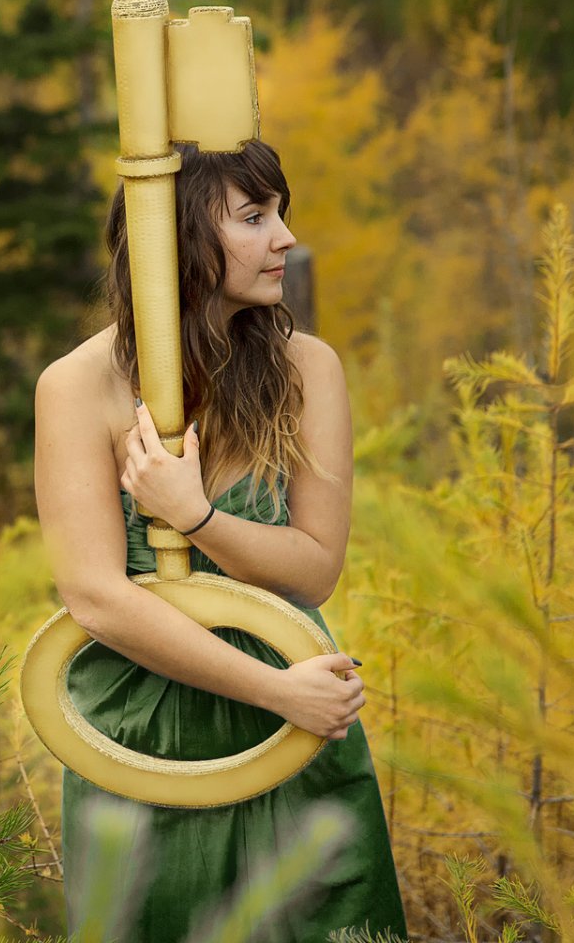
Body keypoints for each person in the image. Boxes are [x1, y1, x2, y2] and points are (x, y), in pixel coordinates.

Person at [34, 139, 408, 942]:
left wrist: (196, 515)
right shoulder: (76, 386)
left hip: (296, 725)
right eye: (253, 217)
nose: (284, 240)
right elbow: (97, 598)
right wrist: (275, 691)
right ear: (178, 238)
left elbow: (315, 568)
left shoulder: (309, 370)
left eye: (281, 214)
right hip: (143, 736)